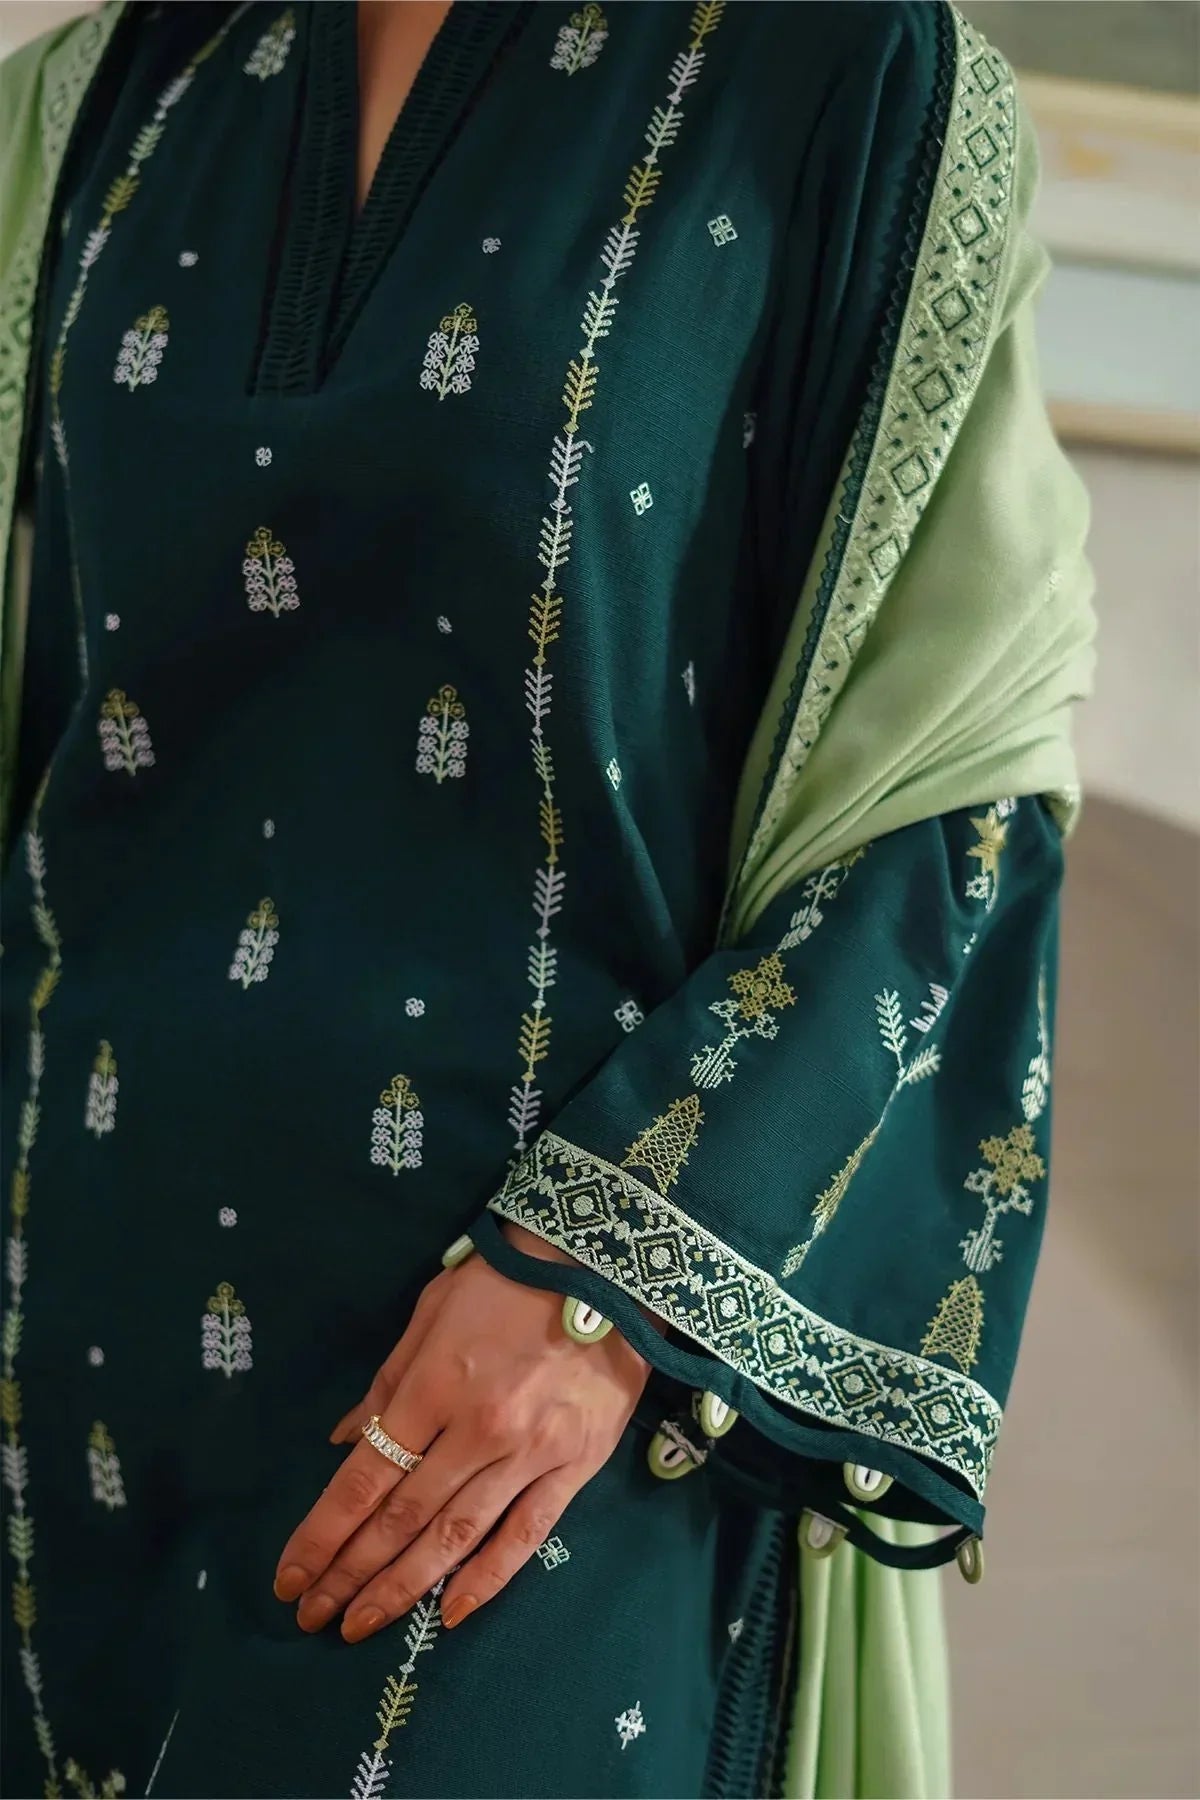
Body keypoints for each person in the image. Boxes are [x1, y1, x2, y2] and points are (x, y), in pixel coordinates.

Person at [0, 2, 1095, 1795]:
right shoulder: (98, 101)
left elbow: (952, 785)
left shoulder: (838, 73)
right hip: (63, 1315)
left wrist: (606, 1284)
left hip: (520, 1377)